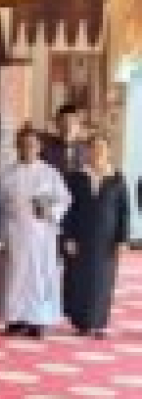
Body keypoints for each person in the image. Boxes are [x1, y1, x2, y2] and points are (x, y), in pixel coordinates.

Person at [0, 128, 72, 339]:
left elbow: (65, 200)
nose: (27, 148)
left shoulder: (50, 173)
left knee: (40, 276)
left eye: (32, 144)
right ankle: (16, 319)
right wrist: (0, 233)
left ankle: (39, 319)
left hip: (42, 234)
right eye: (23, 144)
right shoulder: (7, 174)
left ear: (39, 147)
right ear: (17, 146)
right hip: (15, 233)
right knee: (15, 276)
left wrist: (50, 211)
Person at [62, 135, 131, 338]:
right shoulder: (76, 177)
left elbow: (124, 211)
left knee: (103, 281)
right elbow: (68, 209)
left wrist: (122, 239)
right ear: (87, 151)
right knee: (79, 279)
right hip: (81, 237)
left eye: (101, 147)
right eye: (93, 147)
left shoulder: (117, 178)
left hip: (106, 240)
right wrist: (68, 237)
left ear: (108, 151)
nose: (97, 151)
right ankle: (82, 323)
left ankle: (98, 323)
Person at [42, 103, 87, 176]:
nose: (68, 126)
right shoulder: (46, 150)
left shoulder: (85, 151)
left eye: (72, 122)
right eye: (64, 122)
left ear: (79, 126)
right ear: (57, 124)